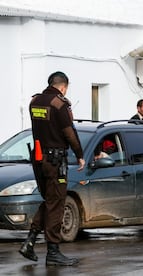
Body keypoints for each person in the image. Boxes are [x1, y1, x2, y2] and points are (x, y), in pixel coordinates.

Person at [19, 71, 85, 266]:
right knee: (56, 203)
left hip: (39, 159)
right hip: (56, 161)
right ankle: (53, 252)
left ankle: (29, 242)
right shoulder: (59, 104)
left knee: (50, 200)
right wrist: (80, 155)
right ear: (63, 86)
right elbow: (69, 133)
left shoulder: (34, 102)